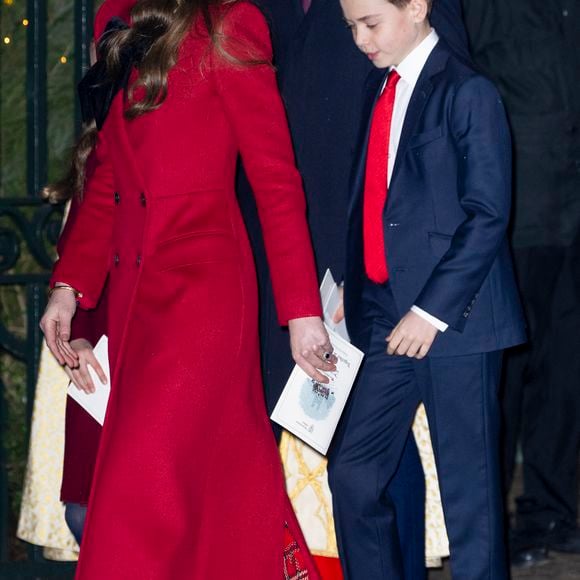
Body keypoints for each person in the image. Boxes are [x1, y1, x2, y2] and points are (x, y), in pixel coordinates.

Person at [39, 0, 336, 577]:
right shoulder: (121, 24)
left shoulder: (230, 24)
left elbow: (275, 180)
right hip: (134, 304)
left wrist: (301, 311)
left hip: (202, 301)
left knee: (139, 487)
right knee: (201, 496)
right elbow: (108, 177)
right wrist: (69, 286)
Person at [237, 0, 469, 576]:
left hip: (367, 256)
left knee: (369, 449)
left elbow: (441, 114)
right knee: (271, 431)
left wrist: (370, 262)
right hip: (267, 252)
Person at [328, 0, 526, 577]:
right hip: (384, 315)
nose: (361, 40)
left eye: (370, 24)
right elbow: (374, 200)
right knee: (354, 474)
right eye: (351, 28)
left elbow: (488, 214)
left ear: (416, 7)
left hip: (456, 322)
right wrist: (357, 280)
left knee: (472, 503)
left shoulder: (468, 91)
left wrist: (430, 311)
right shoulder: (378, 88)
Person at [460, 0, 580, 567]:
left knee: (566, 374)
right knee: (504, 376)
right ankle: (490, 532)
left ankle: (551, 512)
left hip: (572, 213)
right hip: (516, 215)